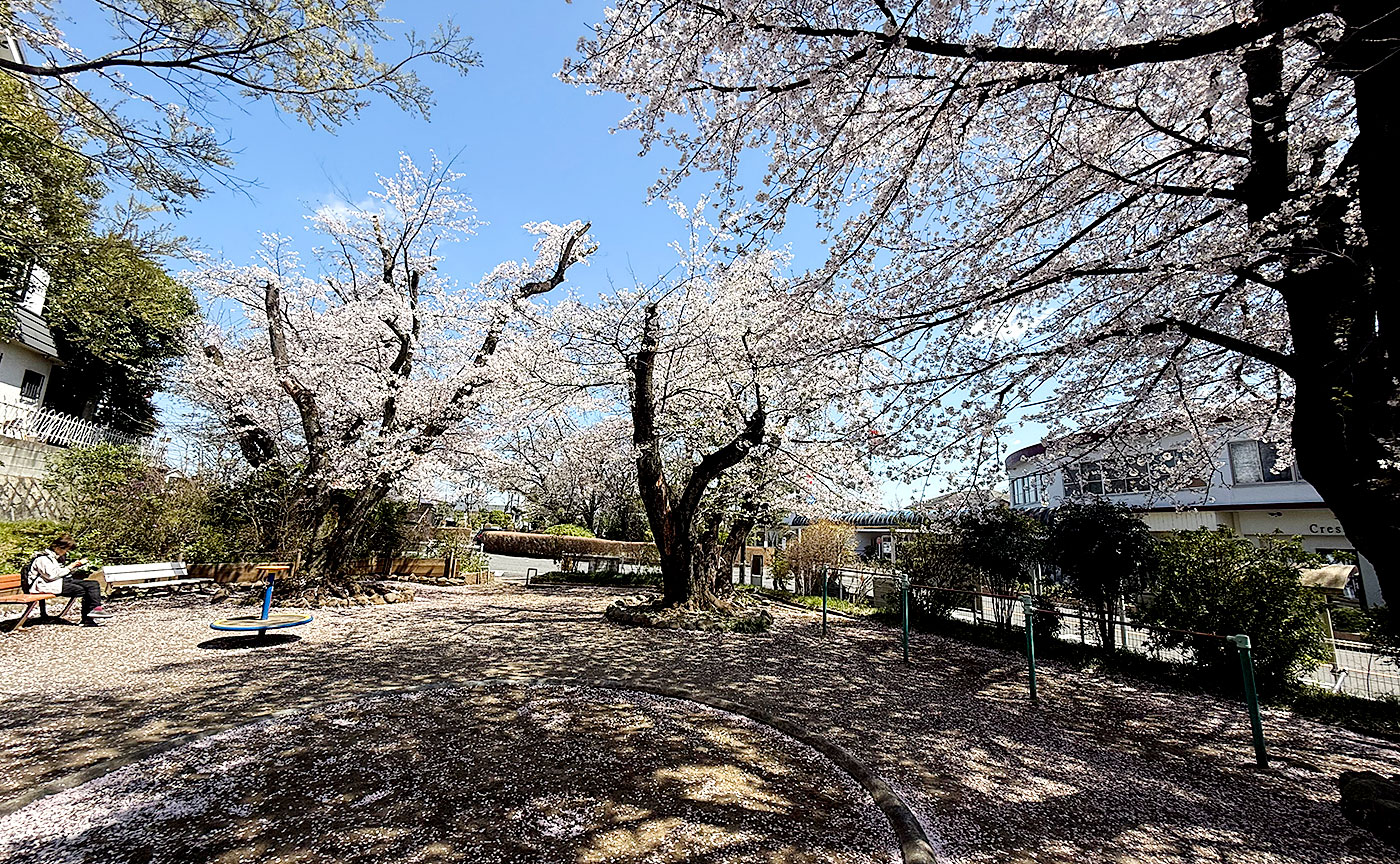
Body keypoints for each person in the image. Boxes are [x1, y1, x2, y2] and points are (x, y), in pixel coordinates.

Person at [24, 535, 112, 625]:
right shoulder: (42, 559)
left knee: (93, 584)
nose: (66, 552)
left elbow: (59, 573)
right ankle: (88, 619)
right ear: (57, 547)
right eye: (65, 549)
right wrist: (71, 566)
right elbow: (51, 575)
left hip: (55, 582)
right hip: (43, 585)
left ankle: (96, 610)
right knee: (84, 590)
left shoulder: (53, 558)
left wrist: (76, 567)